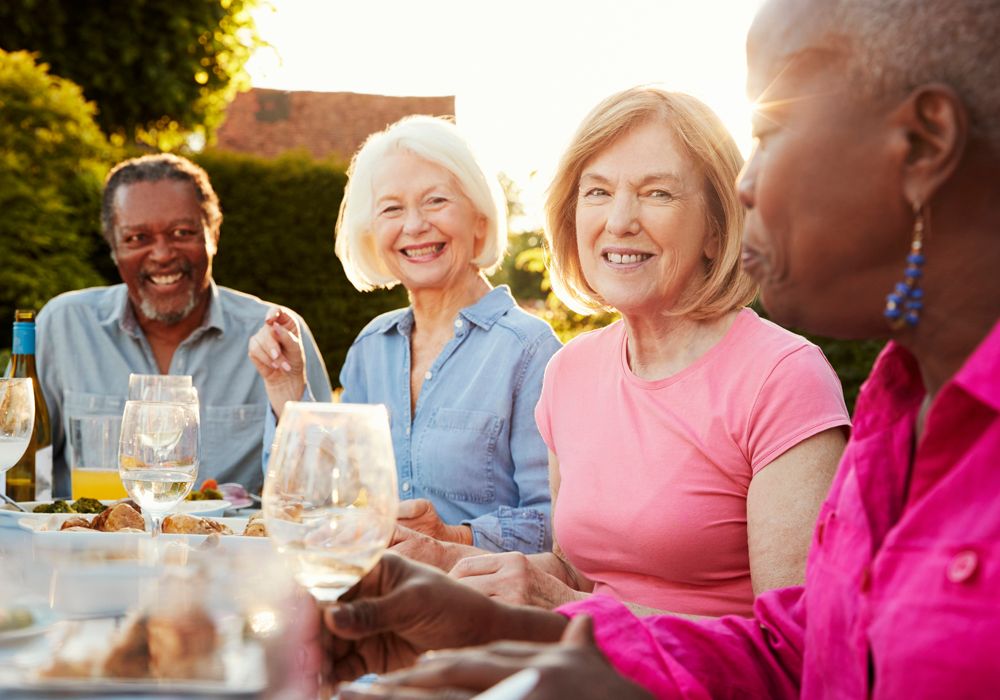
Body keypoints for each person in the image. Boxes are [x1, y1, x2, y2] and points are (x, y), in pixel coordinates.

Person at [319, 0, 1000, 696]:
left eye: (771, 133)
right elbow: (800, 656)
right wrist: (482, 617)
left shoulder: (791, 376)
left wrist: (554, 616)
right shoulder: (901, 402)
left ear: (922, 144)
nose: (747, 185)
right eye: (598, 191)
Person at [443, 88, 849, 618]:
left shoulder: (783, 377)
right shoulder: (569, 372)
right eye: (597, 192)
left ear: (717, 228)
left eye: (657, 193)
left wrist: (571, 608)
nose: (619, 221)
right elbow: (582, 576)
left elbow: (795, 647)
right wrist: (442, 560)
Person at [250, 116, 561, 554]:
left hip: (482, 608)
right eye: (392, 208)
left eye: (435, 201)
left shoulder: (531, 350)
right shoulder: (371, 348)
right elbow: (316, 501)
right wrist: (286, 390)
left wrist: (453, 539)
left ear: (479, 219)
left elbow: (561, 526)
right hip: (377, 596)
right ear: (373, 232)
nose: (413, 225)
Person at [37, 154, 331, 497]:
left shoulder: (277, 335)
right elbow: (17, 476)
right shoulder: (64, 326)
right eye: (137, 238)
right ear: (114, 247)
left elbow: (322, 491)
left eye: (182, 232)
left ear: (213, 234)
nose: (162, 254)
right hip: (82, 549)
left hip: (227, 550)